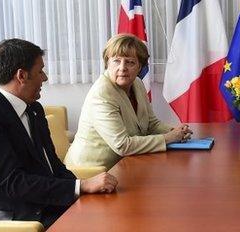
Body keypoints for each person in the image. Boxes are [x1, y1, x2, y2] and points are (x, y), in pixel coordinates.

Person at [0, 38, 118, 228]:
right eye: (40, 70)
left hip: (42, 203)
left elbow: (53, 166)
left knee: (113, 213)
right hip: (14, 218)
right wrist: (80, 186)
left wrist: (82, 187)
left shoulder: (34, 109)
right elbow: (13, 183)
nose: (45, 78)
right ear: (22, 75)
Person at [64, 34, 191, 169]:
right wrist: (169, 138)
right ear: (107, 63)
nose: (122, 67)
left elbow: (151, 124)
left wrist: (175, 131)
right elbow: (122, 145)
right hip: (91, 170)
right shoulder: (102, 93)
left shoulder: (137, 83)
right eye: (116, 61)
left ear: (140, 67)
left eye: (130, 62)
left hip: (123, 164)